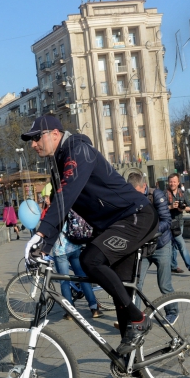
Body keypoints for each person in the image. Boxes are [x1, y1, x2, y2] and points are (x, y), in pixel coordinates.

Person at [22, 114, 158, 355]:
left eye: (36, 138)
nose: (33, 144)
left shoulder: (79, 151)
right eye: (30, 140)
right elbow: (61, 206)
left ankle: (139, 318)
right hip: (114, 225)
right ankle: (132, 369)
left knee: (90, 260)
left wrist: (41, 232)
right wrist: (44, 247)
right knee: (121, 294)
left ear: (55, 134)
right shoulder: (58, 161)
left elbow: (67, 195)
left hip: (135, 216)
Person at [127, 172, 177, 325]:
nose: (133, 196)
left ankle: (172, 312)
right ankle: (135, 318)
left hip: (161, 245)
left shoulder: (157, 195)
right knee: (136, 285)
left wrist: (150, 232)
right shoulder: (129, 197)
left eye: (136, 192)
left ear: (144, 186)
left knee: (164, 284)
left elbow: (167, 221)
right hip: (143, 248)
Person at [51, 210, 103, 320]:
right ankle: (94, 308)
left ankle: (70, 312)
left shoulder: (55, 213)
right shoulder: (71, 208)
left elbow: (50, 232)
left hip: (60, 251)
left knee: (64, 280)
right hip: (75, 246)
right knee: (82, 277)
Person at [166, 173, 190, 275]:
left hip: (179, 223)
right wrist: (171, 207)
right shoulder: (163, 194)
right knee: (182, 244)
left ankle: (173, 266)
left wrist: (183, 208)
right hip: (168, 223)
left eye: (174, 182)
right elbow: (159, 208)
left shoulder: (182, 194)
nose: (172, 184)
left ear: (178, 182)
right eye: (171, 182)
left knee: (174, 245)